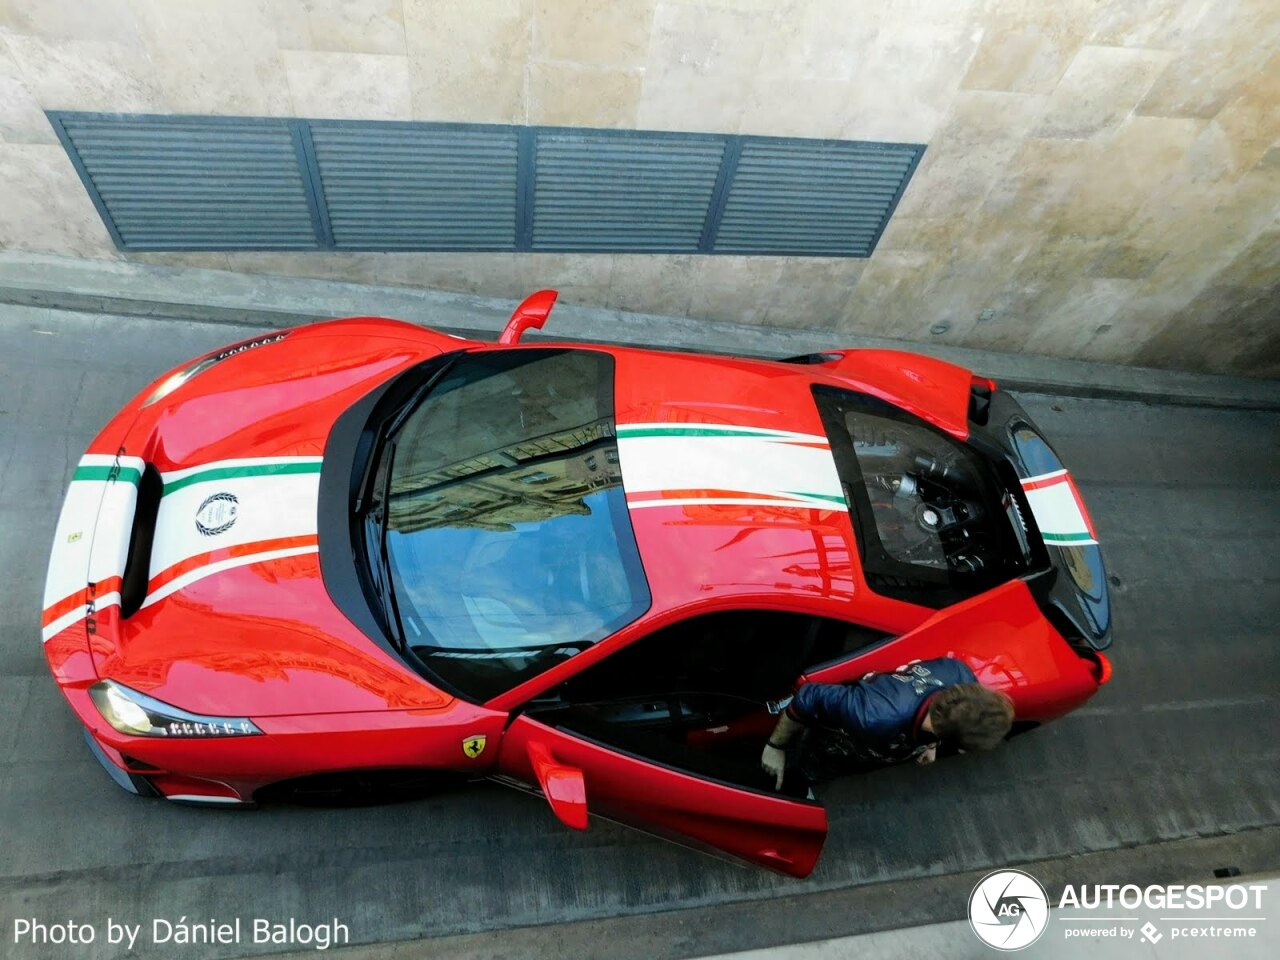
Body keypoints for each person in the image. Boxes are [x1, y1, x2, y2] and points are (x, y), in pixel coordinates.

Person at [760, 658, 1014, 790]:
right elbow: (809, 696)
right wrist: (776, 746)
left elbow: (944, 714)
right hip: (830, 746)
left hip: (876, 744)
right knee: (807, 770)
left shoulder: (960, 674)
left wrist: (930, 745)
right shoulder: (874, 716)